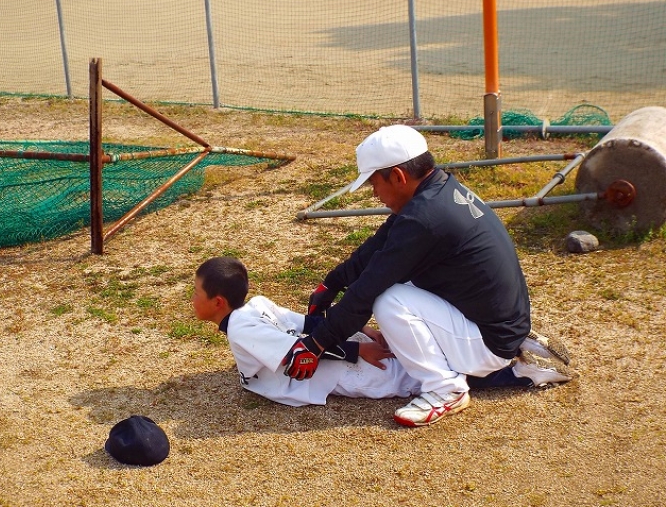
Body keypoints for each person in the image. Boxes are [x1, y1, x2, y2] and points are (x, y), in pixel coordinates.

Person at [284, 124, 574, 427]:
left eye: (374, 183)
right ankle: (507, 345)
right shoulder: (438, 191)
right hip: (497, 320)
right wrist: (332, 283)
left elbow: (368, 289)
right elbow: (378, 247)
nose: (375, 193)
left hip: (490, 341)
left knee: (388, 298)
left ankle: (446, 389)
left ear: (398, 176)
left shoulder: (424, 218)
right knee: (397, 282)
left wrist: (316, 344)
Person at [191, 256, 422, 407]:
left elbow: (300, 353)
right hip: (333, 351)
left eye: (196, 293)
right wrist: (359, 333)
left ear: (218, 302)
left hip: (331, 371)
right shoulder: (257, 304)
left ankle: (440, 386)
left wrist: (359, 347)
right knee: (407, 358)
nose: (192, 298)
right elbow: (309, 323)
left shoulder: (240, 327)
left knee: (407, 378)